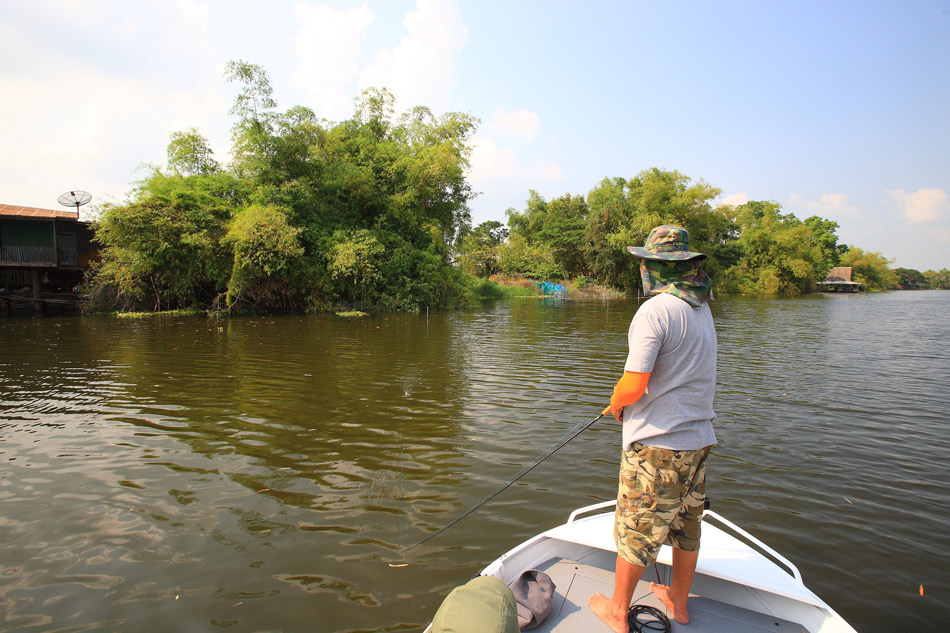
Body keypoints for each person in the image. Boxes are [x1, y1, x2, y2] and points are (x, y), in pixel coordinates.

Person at [588, 225, 717, 632]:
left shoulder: (656, 310)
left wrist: (615, 403)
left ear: (656, 267)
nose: (641, 267)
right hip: (698, 443)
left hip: (658, 447)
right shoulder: (700, 307)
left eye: (645, 261)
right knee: (686, 527)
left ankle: (617, 611)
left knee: (635, 531)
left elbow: (635, 382)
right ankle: (678, 603)